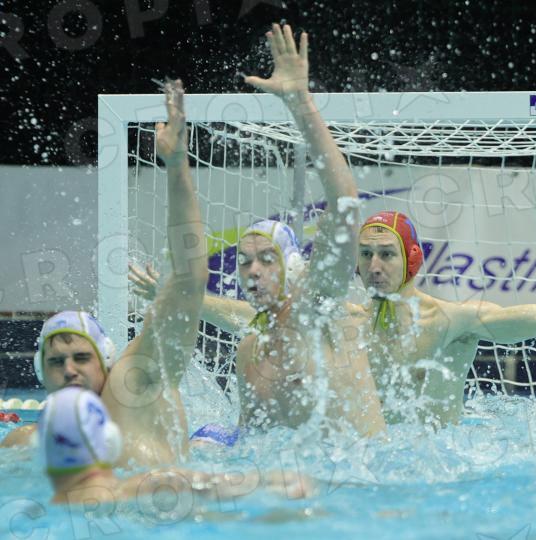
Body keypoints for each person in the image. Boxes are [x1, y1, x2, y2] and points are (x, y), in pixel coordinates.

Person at [133, 210, 536, 427]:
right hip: (381, 460)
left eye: (386, 254)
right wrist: (178, 298)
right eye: (366, 255)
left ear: (411, 259)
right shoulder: (347, 319)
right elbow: (247, 315)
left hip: (440, 463)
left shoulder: (451, 321)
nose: (374, 265)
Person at [2, 79, 209, 465]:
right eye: (56, 362)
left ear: (106, 360)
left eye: (82, 358)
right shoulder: (25, 443)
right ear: (40, 372)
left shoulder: (134, 387)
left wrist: (177, 167)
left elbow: (190, 281)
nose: (69, 370)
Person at [226, 24, 383, 436]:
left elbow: (345, 202)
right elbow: (251, 443)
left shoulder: (319, 307)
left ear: (294, 267)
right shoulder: (249, 351)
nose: (253, 270)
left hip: (367, 473)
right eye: (244, 261)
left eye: (267, 259)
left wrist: (300, 103)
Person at [38, 387, 313, 505]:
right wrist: (267, 480)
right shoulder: (141, 487)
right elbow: (214, 484)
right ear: (110, 442)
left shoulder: (38, 511)